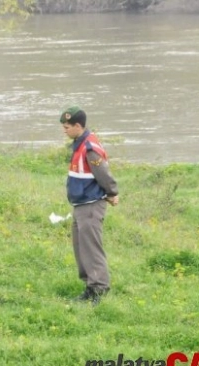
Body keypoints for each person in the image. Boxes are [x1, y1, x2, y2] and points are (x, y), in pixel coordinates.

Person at [60, 106, 118, 306]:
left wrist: (112, 193)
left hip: (91, 205)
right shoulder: (78, 143)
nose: (64, 130)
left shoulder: (90, 148)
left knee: (91, 249)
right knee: (80, 248)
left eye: (67, 126)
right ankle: (89, 287)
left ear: (78, 125)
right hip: (80, 204)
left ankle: (99, 288)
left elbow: (103, 173)